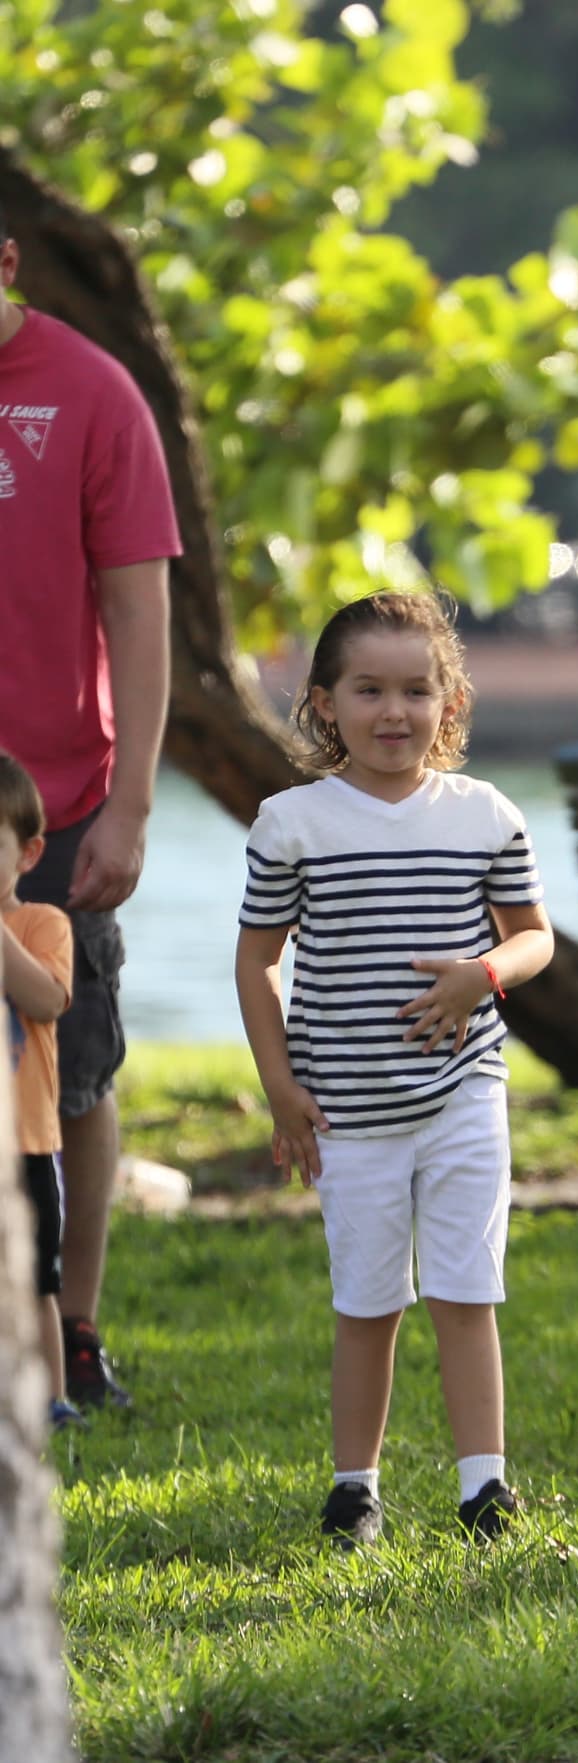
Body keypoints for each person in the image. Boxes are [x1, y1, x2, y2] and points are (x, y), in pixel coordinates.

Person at [236, 590, 554, 1548]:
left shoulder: (485, 814)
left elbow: (534, 937)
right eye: (368, 689)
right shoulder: (291, 822)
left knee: (467, 1290)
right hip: (345, 1109)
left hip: (464, 1094)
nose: (394, 711)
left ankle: (484, 1491)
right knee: (367, 1300)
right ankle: (355, 1491)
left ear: (449, 701)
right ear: (324, 701)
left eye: (417, 690)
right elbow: (257, 960)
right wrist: (282, 1088)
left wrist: (482, 976)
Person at [0, 200, 180, 1410]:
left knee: (69, 1078)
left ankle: (73, 1328)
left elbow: (139, 610)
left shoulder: (91, 388)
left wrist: (129, 806)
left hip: (53, 804)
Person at [1, 754, 79, 1430]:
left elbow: (47, 998)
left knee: (39, 1281)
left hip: (26, 1140)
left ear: (27, 854)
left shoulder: (41, 925)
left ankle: (54, 1395)